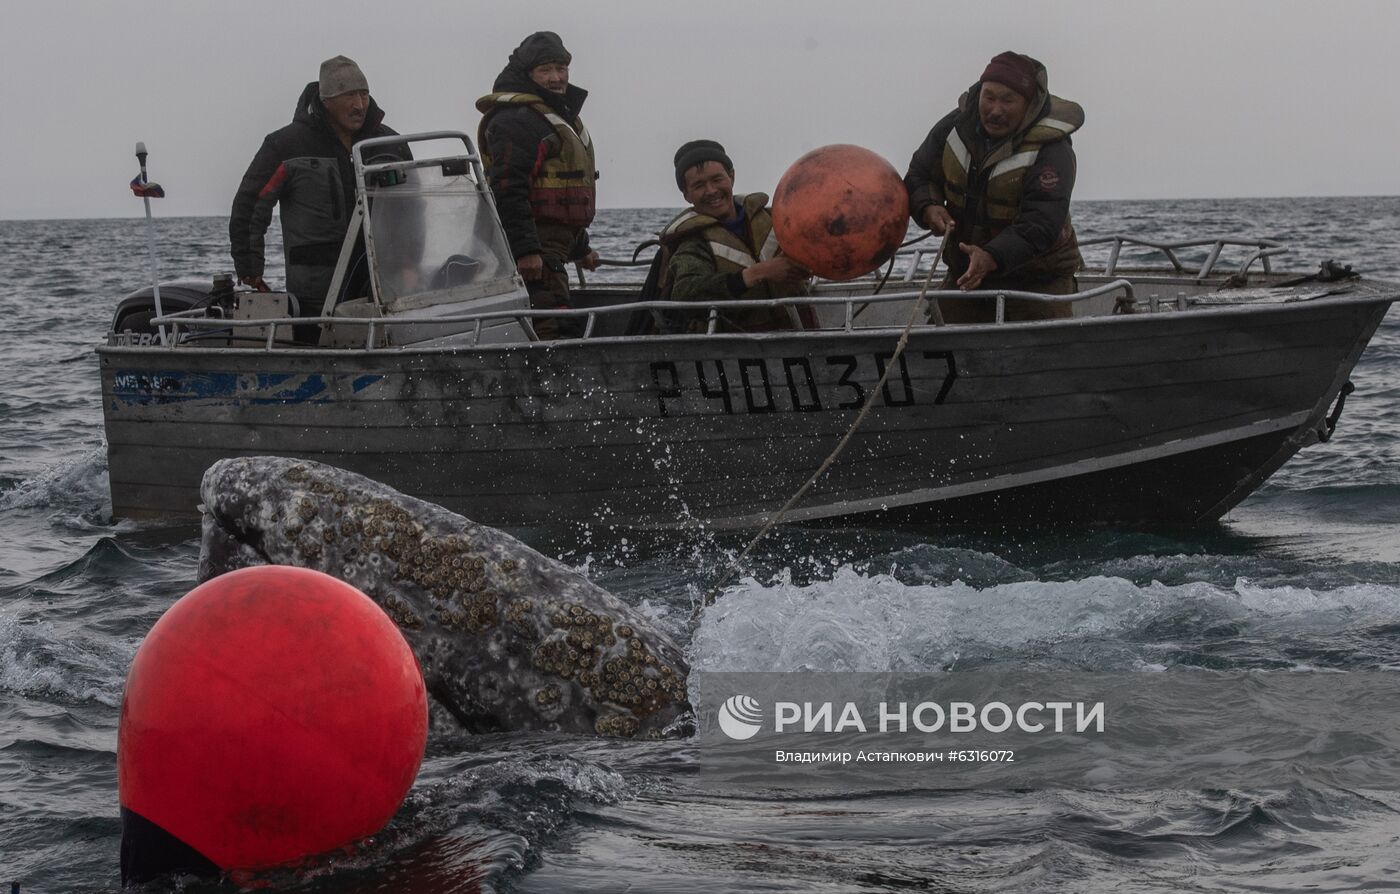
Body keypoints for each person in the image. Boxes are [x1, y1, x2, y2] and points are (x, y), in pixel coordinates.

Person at [229, 56, 407, 344]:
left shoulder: (390, 144)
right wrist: (250, 269)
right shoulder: (286, 145)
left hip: (384, 285)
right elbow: (250, 206)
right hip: (316, 293)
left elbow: (415, 209)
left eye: (363, 94)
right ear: (326, 100)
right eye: (348, 95)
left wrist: (411, 266)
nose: (359, 105)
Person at [904, 51, 1085, 322]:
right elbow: (918, 175)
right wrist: (928, 206)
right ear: (979, 94)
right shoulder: (953, 128)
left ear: (1029, 104)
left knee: (1040, 352)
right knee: (939, 344)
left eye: (1007, 100)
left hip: (1037, 281)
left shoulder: (1053, 150)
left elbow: (1042, 221)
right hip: (965, 275)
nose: (996, 110)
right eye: (989, 97)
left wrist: (993, 255)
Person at [476, 31, 600, 340]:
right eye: (546, 70)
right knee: (553, 328)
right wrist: (527, 250)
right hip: (536, 249)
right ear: (527, 75)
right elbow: (508, 189)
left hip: (556, 246)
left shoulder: (555, 115)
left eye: (561, 68)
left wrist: (581, 248)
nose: (557, 78)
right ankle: (553, 387)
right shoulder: (516, 119)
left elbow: (560, 196)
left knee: (560, 321)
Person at [656, 140, 811, 333]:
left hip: (805, 337)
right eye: (699, 185)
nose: (711, 191)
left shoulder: (777, 220)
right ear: (686, 194)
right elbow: (685, 294)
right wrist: (756, 273)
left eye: (717, 179)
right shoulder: (692, 242)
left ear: (732, 177)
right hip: (738, 350)